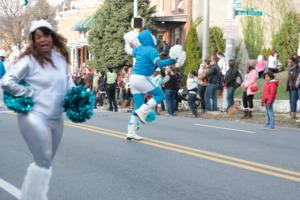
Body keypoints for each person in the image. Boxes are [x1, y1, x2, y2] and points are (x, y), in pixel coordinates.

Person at [1, 20, 74, 200]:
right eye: (38, 37)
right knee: (44, 159)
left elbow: (68, 83)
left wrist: (77, 96)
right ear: (33, 41)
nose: (42, 40)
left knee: (46, 163)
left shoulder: (61, 59)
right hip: (34, 116)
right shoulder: (28, 61)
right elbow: (7, 81)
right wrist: (28, 92)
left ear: (52, 37)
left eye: (46, 35)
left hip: (56, 118)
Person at [127, 29, 175, 140]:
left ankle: (131, 132)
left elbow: (132, 51)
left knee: (137, 105)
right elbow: (159, 63)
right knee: (160, 95)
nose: (154, 38)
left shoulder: (138, 49)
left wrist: (132, 45)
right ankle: (144, 110)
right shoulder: (151, 50)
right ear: (149, 38)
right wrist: (171, 60)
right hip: (142, 77)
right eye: (152, 36)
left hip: (133, 78)